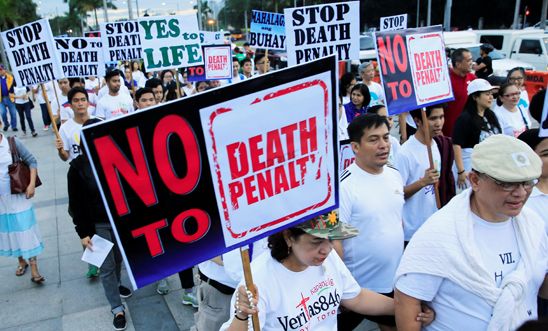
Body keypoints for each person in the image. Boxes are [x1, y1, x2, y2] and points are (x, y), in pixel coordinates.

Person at [394, 134, 548, 331]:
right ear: (475, 180)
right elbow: (407, 301)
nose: (520, 193)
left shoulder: (533, 224)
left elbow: (541, 286)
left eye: (527, 182)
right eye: (507, 183)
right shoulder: (440, 234)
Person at [220, 211, 434, 330]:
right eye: (316, 241)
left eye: (332, 239)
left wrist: (407, 306)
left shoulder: (327, 258)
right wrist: (241, 315)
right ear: (288, 237)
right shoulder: (258, 280)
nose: (327, 249)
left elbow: (356, 298)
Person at [337, 114, 405, 331]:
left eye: (386, 137)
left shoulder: (394, 174)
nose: (384, 145)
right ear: (355, 147)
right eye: (374, 139)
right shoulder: (345, 186)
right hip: (357, 289)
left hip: (394, 281)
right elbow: (335, 240)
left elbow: (396, 221)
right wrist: (340, 287)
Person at [68, 118, 132, 331]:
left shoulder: (117, 159)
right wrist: (83, 232)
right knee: (105, 268)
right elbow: (76, 204)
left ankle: (117, 284)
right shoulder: (77, 168)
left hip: (120, 221)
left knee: (117, 260)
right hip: (98, 224)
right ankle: (116, 308)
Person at [0, 125, 43, 283]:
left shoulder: (12, 142)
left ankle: (34, 268)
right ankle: (21, 261)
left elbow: (32, 161)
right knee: (12, 230)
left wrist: (31, 185)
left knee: (25, 230)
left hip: (19, 196)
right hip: (2, 201)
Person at [396, 106, 443, 243]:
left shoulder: (435, 145)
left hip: (432, 226)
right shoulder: (405, 153)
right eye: (433, 118)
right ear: (418, 121)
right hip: (412, 232)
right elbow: (397, 194)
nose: (439, 123)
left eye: (441, 117)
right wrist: (422, 182)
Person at [453, 79, 502, 190]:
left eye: (491, 94)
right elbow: (456, 144)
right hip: (469, 166)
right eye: (486, 94)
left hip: (488, 166)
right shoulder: (464, 118)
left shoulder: (491, 116)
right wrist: (461, 171)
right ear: (475, 97)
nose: (491, 97)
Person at [443, 48, 476, 137]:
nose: (471, 63)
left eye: (471, 60)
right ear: (458, 64)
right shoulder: (446, 81)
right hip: (449, 132)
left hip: (468, 130)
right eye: (469, 60)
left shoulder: (472, 78)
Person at [0, 64, 18, 132]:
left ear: (4, 70)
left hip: (10, 97)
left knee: (13, 113)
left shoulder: (11, 77)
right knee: (3, 113)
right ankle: (6, 124)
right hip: (1, 99)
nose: (0, 71)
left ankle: (14, 126)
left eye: (1, 70)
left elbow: (15, 86)